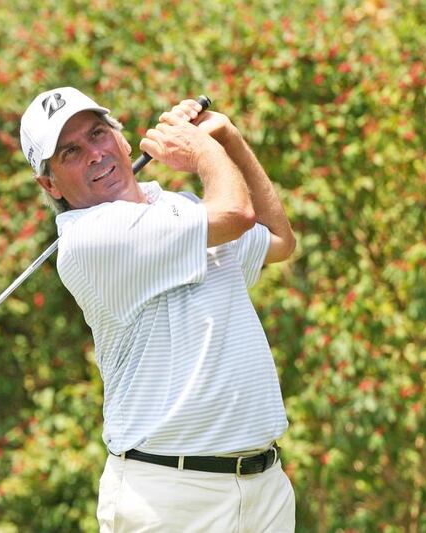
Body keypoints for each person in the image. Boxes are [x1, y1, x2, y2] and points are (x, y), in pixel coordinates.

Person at [20, 86, 297, 532]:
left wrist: (228, 139)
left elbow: (279, 241)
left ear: (123, 138)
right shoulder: (91, 240)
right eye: (70, 152)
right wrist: (204, 152)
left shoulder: (181, 210)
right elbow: (237, 213)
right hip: (170, 498)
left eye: (97, 133)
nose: (95, 153)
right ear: (49, 183)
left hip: (263, 487)